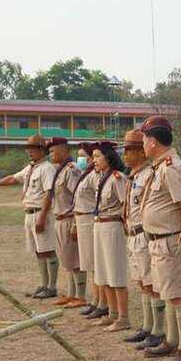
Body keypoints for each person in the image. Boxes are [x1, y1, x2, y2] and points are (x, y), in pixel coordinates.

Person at [139, 116, 181, 361]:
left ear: (153, 141)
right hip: (159, 240)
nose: (143, 144)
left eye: (144, 139)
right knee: (168, 293)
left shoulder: (171, 167)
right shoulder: (160, 166)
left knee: (178, 295)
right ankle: (172, 341)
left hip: (171, 239)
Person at [0, 134, 59, 298]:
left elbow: (49, 194)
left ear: (42, 150)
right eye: (28, 149)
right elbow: (13, 178)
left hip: (40, 212)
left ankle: (52, 287)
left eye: (33, 148)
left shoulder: (47, 168)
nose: (29, 152)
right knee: (39, 250)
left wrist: (42, 217)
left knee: (48, 250)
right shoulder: (31, 168)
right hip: (29, 212)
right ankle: (44, 284)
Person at [120, 129, 167, 347]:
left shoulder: (149, 174)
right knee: (141, 282)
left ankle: (158, 330)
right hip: (132, 234)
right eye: (125, 150)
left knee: (151, 283)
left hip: (144, 234)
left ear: (141, 152)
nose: (125, 155)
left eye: (130, 150)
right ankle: (147, 326)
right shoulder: (133, 176)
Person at [90, 140, 130, 331]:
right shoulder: (101, 178)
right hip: (99, 225)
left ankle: (123, 317)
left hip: (112, 226)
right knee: (103, 271)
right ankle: (112, 313)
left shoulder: (117, 178)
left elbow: (126, 205)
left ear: (108, 157)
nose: (94, 160)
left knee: (116, 272)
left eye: (98, 156)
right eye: (93, 157)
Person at [47, 137, 88, 308]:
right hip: (60, 219)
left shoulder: (71, 170)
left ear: (63, 150)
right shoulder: (60, 170)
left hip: (70, 219)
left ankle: (80, 296)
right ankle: (71, 294)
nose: (50, 154)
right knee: (66, 259)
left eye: (52, 151)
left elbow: (79, 197)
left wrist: (76, 223)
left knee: (75, 260)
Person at [71, 143, 108, 318]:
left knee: (95, 264)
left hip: (89, 218)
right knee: (90, 263)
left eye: (84, 156)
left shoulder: (96, 175)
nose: (82, 159)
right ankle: (96, 300)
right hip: (81, 218)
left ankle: (101, 302)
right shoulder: (86, 174)